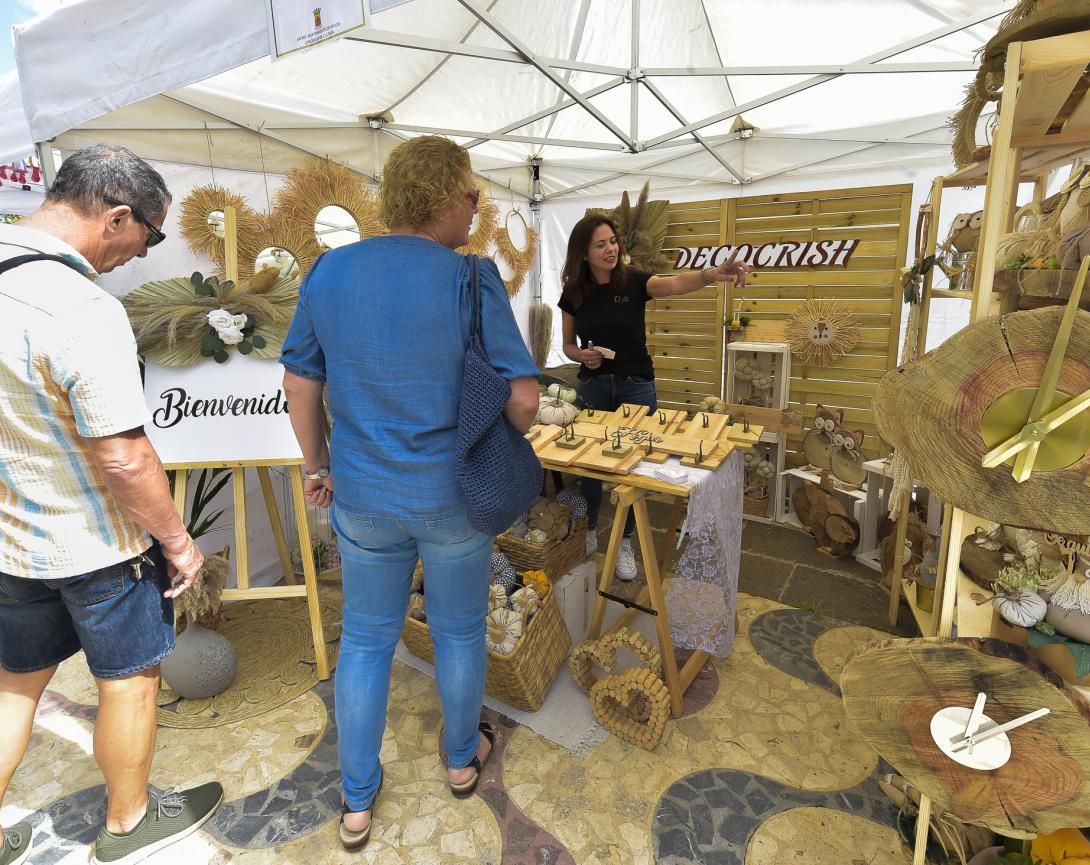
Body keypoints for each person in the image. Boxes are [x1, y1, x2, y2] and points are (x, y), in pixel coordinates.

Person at [281, 135, 538, 851]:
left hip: (361, 494)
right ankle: (461, 760)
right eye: (470, 194)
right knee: (458, 631)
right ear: (442, 199)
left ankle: (357, 802)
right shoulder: (470, 277)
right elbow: (523, 400)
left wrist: (317, 462)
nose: (476, 204)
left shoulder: (328, 272)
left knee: (365, 640)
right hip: (453, 494)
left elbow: (300, 383)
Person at [0, 144, 223, 865]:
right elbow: (124, 455)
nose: (140, 254)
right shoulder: (81, 304)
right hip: (98, 543)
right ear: (117, 215)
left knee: (14, 686)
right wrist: (179, 542)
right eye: (148, 237)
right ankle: (128, 821)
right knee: (130, 680)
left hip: (10, 538)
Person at [558, 215, 749, 579]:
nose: (611, 248)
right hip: (594, 387)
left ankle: (625, 541)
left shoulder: (632, 282)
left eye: (612, 241)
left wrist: (712, 274)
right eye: (601, 244)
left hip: (636, 386)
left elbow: (675, 283)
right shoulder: (574, 292)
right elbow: (568, 345)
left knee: (635, 468)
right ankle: (590, 532)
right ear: (584, 253)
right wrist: (582, 355)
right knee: (589, 468)